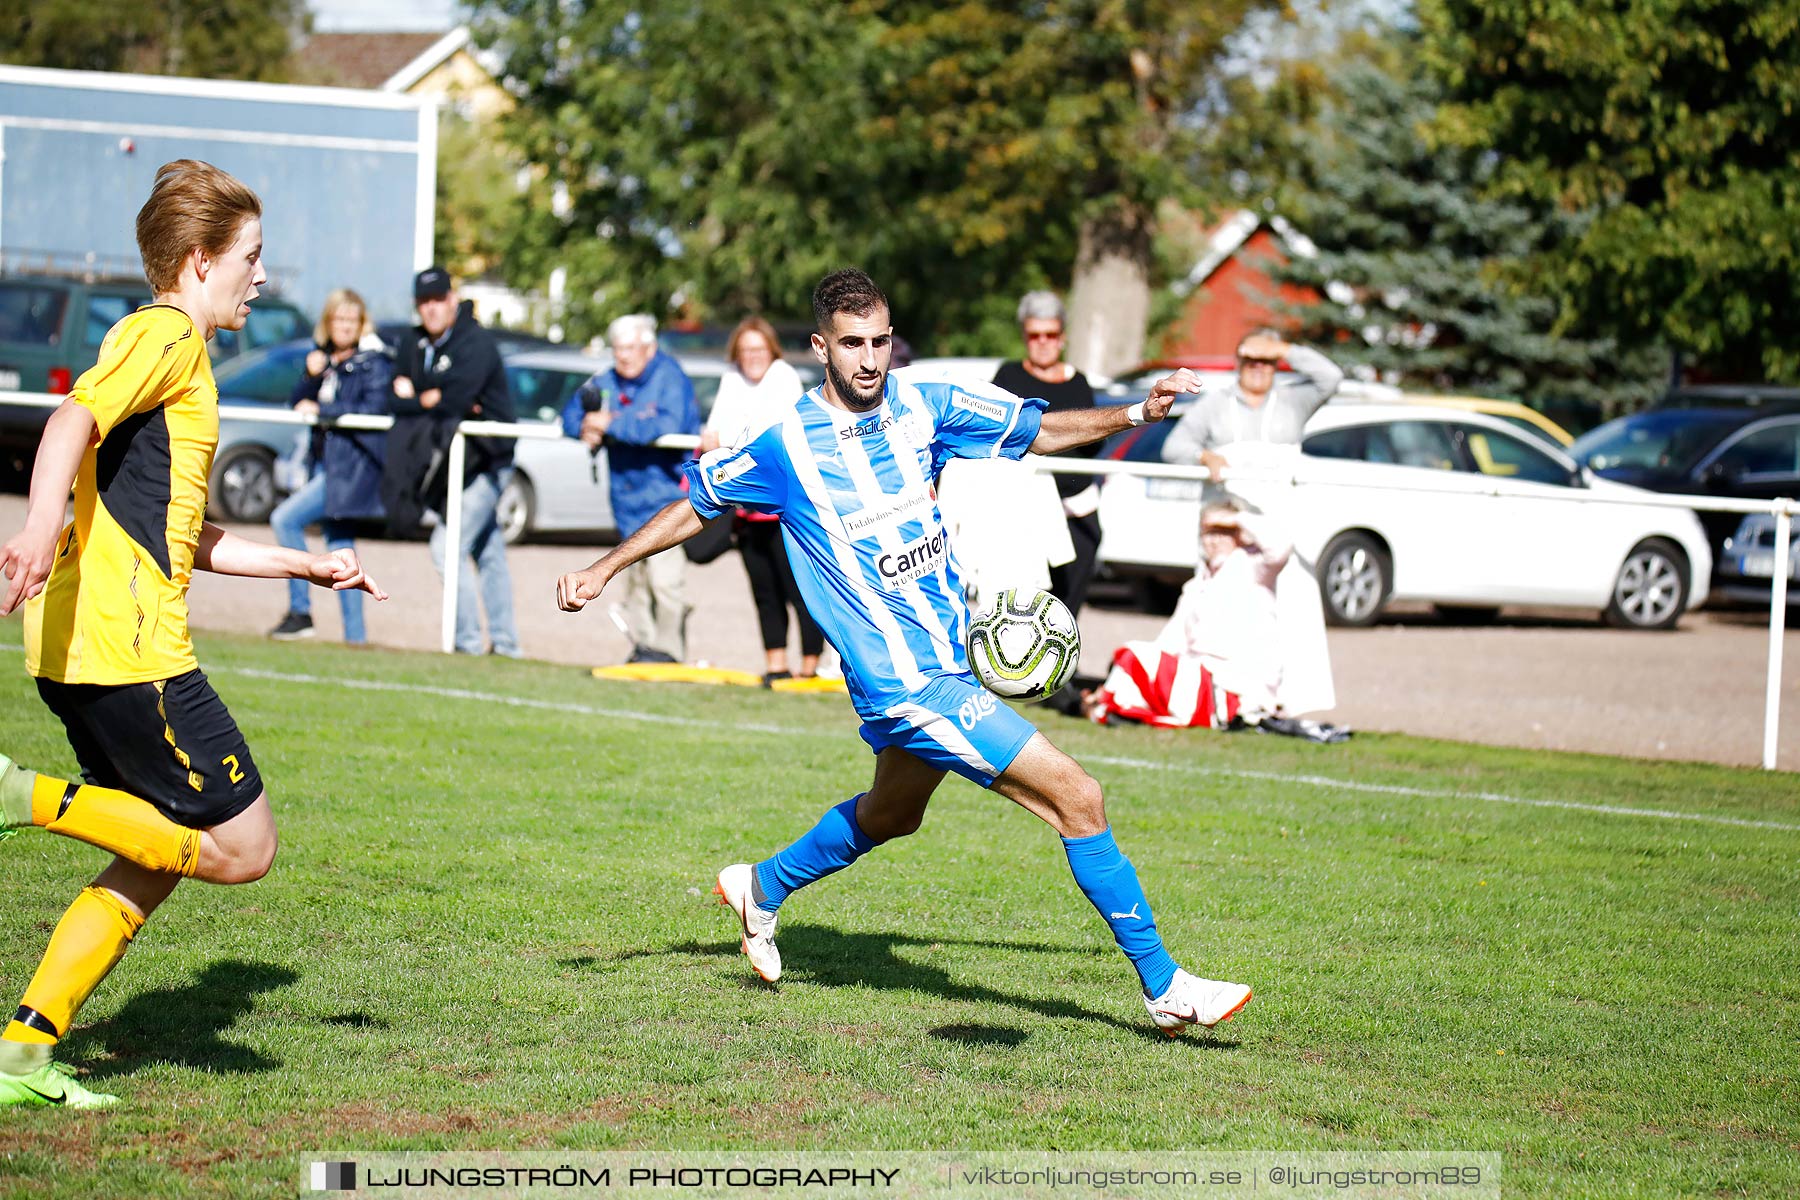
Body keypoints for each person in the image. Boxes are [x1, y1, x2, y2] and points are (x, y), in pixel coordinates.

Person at [556, 269, 1251, 1035]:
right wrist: (602, 567)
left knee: (892, 815)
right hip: (907, 683)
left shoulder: (927, 406)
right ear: (821, 346)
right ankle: (1166, 986)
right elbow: (695, 504)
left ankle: (761, 886)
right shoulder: (786, 445)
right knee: (1078, 797)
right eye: (852, 344)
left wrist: (1132, 411)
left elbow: (1037, 429)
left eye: (881, 341)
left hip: (949, 658)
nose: (869, 359)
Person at [0, 160, 387, 1109]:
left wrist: (303, 564)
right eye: (251, 257)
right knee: (242, 848)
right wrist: (35, 529)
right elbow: (67, 422)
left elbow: (185, 529)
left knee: (156, 854)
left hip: (88, 649)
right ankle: (18, 792)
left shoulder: (180, 355)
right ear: (200, 259)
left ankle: (22, 1054)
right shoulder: (167, 334)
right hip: (133, 651)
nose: (262, 276)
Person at [1081, 501, 1342, 737]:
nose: (1214, 541)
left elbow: (1281, 546)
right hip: (1197, 676)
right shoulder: (1196, 585)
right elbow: (1169, 642)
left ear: (1238, 534)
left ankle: (1106, 706)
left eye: (1222, 532)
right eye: (1209, 533)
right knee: (1131, 657)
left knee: (1133, 658)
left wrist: (1237, 518)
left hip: (1236, 687)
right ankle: (1106, 702)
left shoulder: (1253, 566)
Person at [392, 266, 520, 657]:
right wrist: (427, 399)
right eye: (423, 302)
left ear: (452, 300)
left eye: (437, 300)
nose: (431, 309)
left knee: (445, 546)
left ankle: (467, 644)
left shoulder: (476, 342)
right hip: (456, 463)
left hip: (488, 461)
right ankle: (507, 645)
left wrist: (421, 395)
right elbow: (392, 397)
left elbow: (455, 398)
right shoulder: (413, 342)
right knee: (487, 551)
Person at [560, 313, 699, 664]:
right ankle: (645, 649)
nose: (623, 356)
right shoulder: (606, 379)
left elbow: (665, 424)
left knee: (666, 583)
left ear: (649, 348)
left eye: (630, 348)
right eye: (618, 349)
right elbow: (570, 414)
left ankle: (670, 655)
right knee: (634, 581)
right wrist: (587, 427)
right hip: (626, 500)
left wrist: (612, 423)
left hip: (669, 497)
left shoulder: (670, 376)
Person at [699, 317, 824, 683]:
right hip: (746, 508)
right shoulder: (730, 380)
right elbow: (713, 432)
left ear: (771, 350)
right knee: (764, 590)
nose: (752, 356)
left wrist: (724, 439)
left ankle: (810, 666)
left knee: (798, 589)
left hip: (785, 508)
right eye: (745, 350)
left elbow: (772, 430)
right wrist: (724, 439)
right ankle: (776, 665)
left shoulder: (783, 376)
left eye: (758, 349)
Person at [267, 288, 391, 644]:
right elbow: (297, 401)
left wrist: (324, 411)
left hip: (348, 471)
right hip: (324, 466)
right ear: (328, 322)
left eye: (352, 319)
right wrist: (310, 376)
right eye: (339, 318)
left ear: (362, 323)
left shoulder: (373, 363)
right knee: (342, 548)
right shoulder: (324, 361)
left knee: (285, 519)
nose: (345, 326)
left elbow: (374, 409)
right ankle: (355, 638)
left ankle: (300, 611)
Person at [992, 291, 1102, 616]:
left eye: (1050, 334)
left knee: (1067, 608)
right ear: (1024, 336)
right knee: (1022, 607)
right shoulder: (1008, 377)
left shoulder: (1079, 383)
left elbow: (1095, 443)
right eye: (1034, 335)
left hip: (1075, 510)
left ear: (1062, 337)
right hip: (1021, 511)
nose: (1043, 342)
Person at [1159, 330, 1344, 492]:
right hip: (1228, 507)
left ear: (1276, 364)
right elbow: (1173, 447)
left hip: (1280, 506)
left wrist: (1284, 349)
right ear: (1239, 363)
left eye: (1266, 360)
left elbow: (1331, 377)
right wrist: (1205, 457)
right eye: (1251, 360)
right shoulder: (1213, 403)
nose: (1258, 367)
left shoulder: (1294, 400)